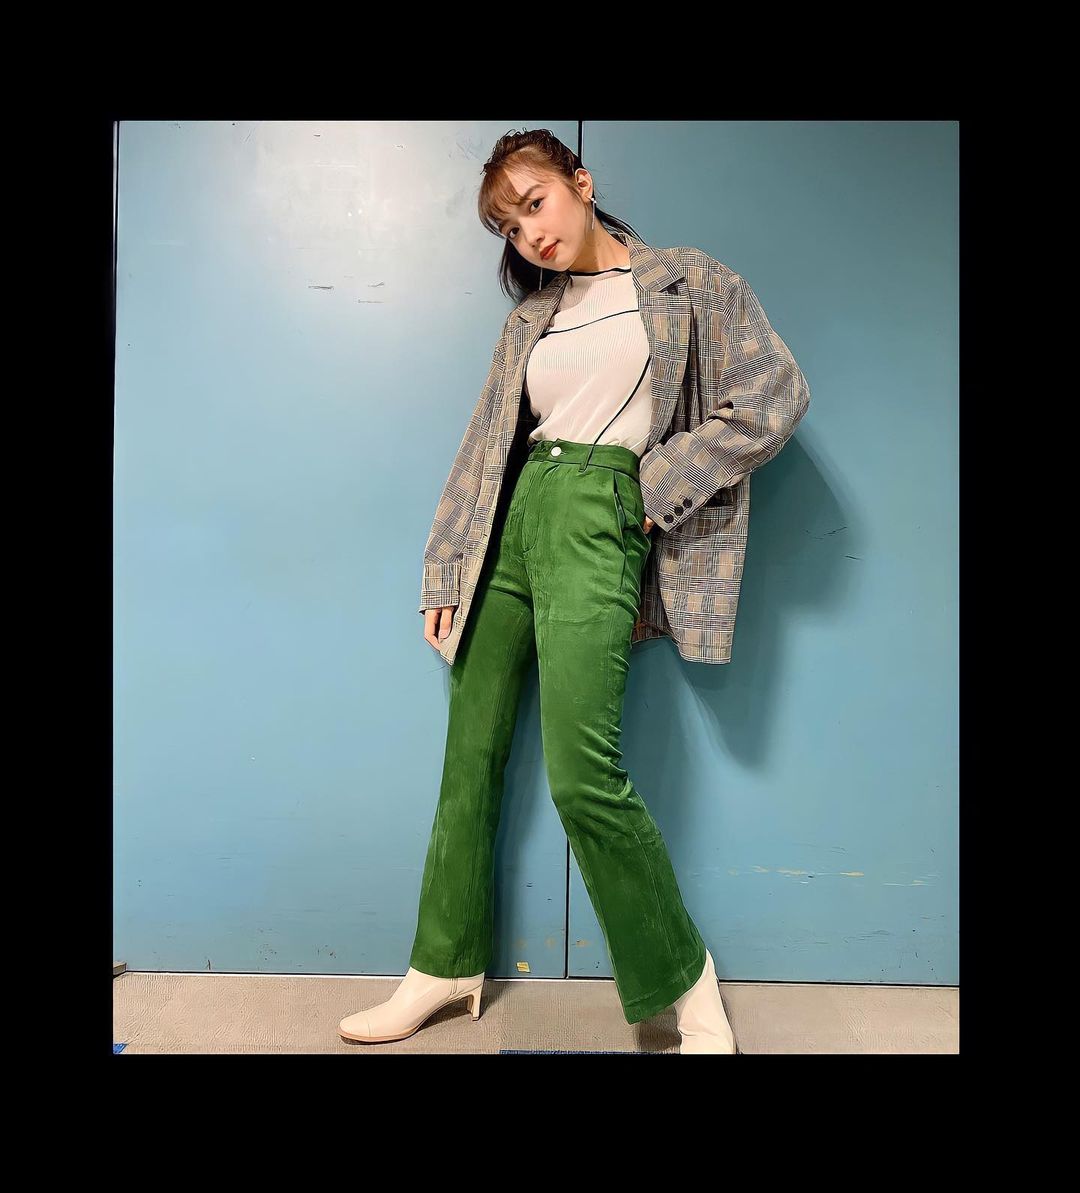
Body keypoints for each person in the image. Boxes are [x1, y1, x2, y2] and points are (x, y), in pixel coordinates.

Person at [339, 129, 807, 1052]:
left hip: (603, 508)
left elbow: (773, 394)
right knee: (469, 752)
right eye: (511, 227)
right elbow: (486, 444)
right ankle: (442, 963)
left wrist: (652, 486)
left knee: (582, 773)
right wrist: (449, 563)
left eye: (536, 203)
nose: (531, 234)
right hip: (514, 519)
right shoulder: (531, 318)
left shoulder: (688, 283)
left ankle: (685, 978)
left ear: (581, 182)